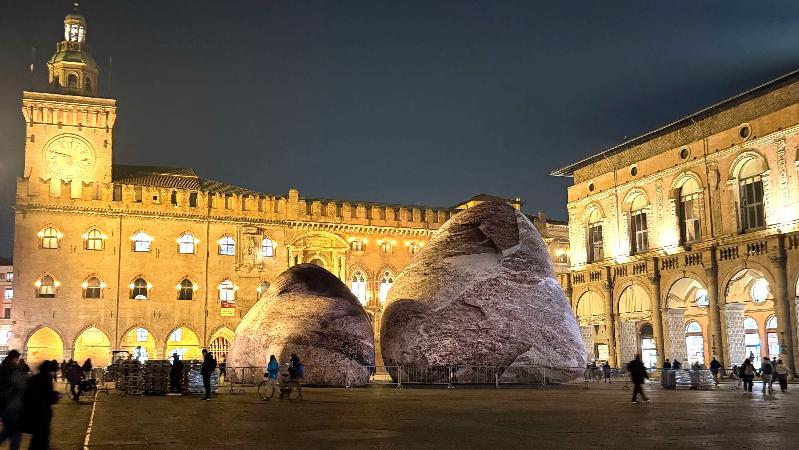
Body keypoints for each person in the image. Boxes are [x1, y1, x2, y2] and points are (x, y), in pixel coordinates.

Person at [20, 360, 60, 450]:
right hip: (42, 412)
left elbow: (27, 395)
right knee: (42, 436)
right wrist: (56, 395)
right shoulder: (46, 378)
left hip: (32, 411)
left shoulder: (33, 378)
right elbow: (48, 397)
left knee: (37, 437)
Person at [0, 350, 25, 450]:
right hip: (12, 405)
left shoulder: (2, 367)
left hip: (4, 405)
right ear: (15, 358)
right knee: (13, 432)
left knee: (12, 431)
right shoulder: (13, 369)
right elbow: (19, 385)